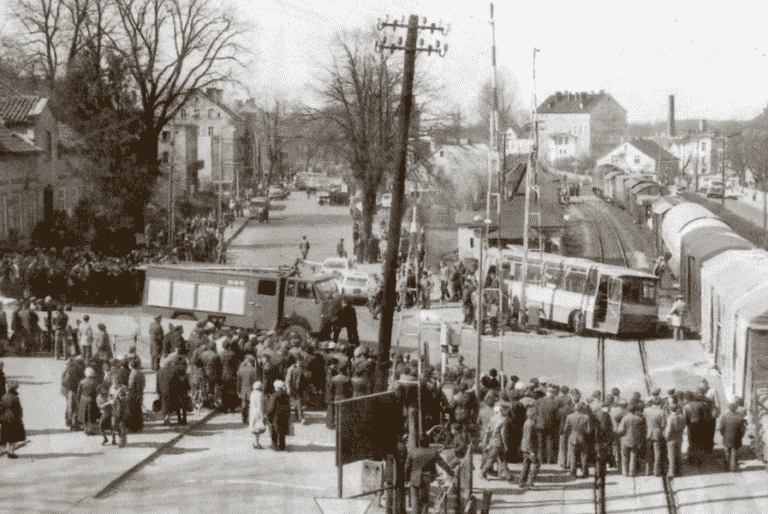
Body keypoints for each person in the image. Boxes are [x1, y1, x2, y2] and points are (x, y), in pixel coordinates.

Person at [405, 436, 455, 514]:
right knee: (424, 501)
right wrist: (451, 473)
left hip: (414, 478)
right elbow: (443, 464)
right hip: (426, 478)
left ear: (419, 442)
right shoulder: (433, 452)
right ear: (428, 443)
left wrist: (406, 478)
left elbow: (407, 467)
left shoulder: (412, 451)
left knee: (415, 500)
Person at [480, 404, 512, 480]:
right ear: (502, 410)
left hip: (493, 441)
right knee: (492, 459)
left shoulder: (493, 418)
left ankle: (508, 476)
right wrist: (505, 445)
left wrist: (486, 441)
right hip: (499, 442)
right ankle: (482, 473)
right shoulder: (503, 420)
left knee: (502, 459)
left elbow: (488, 430)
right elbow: (503, 434)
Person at [617, 405, 645, 477]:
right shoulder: (639, 419)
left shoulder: (625, 418)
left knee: (625, 456)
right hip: (635, 439)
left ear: (628, 410)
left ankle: (625, 472)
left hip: (625, 439)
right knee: (633, 456)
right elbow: (642, 430)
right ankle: (632, 472)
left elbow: (621, 430)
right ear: (635, 410)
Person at [0, 381, 25, 458]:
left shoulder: (4, 397)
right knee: (14, 437)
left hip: (5, 418)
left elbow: (1, 408)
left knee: (7, 435)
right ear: (14, 388)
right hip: (14, 419)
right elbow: (19, 410)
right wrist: (20, 416)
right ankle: (12, 452)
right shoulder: (15, 398)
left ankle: (8, 451)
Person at [718, 402, 746, 472]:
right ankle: (732, 467)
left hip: (727, 437)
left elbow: (721, 428)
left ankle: (726, 467)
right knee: (734, 452)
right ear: (736, 408)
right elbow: (743, 429)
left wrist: (723, 434)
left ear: (728, 408)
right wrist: (741, 436)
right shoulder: (740, 417)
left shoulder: (724, 416)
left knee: (727, 451)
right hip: (736, 437)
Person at [518, 407, 540, 490]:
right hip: (529, 448)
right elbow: (529, 438)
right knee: (536, 464)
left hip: (525, 447)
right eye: (535, 415)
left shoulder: (527, 422)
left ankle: (522, 481)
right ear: (533, 415)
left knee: (526, 465)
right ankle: (530, 482)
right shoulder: (530, 424)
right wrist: (531, 451)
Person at [267, 380, 291, 451]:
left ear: (276, 387)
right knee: (282, 432)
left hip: (276, 415)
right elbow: (288, 406)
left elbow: (272, 407)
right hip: (284, 415)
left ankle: (274, 446)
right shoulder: (286, 395)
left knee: (274, 431)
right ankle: (282, 446)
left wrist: (269, 415)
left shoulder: (275, 395)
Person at [664, 397, 685, 478]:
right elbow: (683, 426)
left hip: (671, 439)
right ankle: (679, 471)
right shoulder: (681, 417)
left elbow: (668, 430)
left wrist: (666, 437)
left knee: (671, 457)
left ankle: (671, 473)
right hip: (679, 438)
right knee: (678, 455)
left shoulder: (670, 418)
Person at [77, 367, 100, 435]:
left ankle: (86, 429)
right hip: (92, 400)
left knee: (84, 416)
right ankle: (91, 430)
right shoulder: (95, 382)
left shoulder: (82, 381)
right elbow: (97, 392)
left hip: (83, 400)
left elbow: (79, 392)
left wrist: (79, 400)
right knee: (91, 415)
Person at [285, 356, 308, 424]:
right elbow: (288, 380)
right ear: (296, 361)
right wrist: (288, 389)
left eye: (301, 361)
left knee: (298, 402)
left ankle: (299, 416)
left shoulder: (303, 368)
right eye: (299, 361)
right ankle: (300, 417)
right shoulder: (291, 369)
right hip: (294, 388)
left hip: (300, 388)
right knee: (297, 402)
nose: (300, 362)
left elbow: (305, 378)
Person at [249, 381, 266, 449]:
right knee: (258, 429)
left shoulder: (252, 393)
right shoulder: (259, 394)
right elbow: (260, 406)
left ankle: (255, 442)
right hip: (257, 413)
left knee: (254, 428)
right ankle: (256, 443)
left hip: (252, 412)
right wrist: (262, 416)